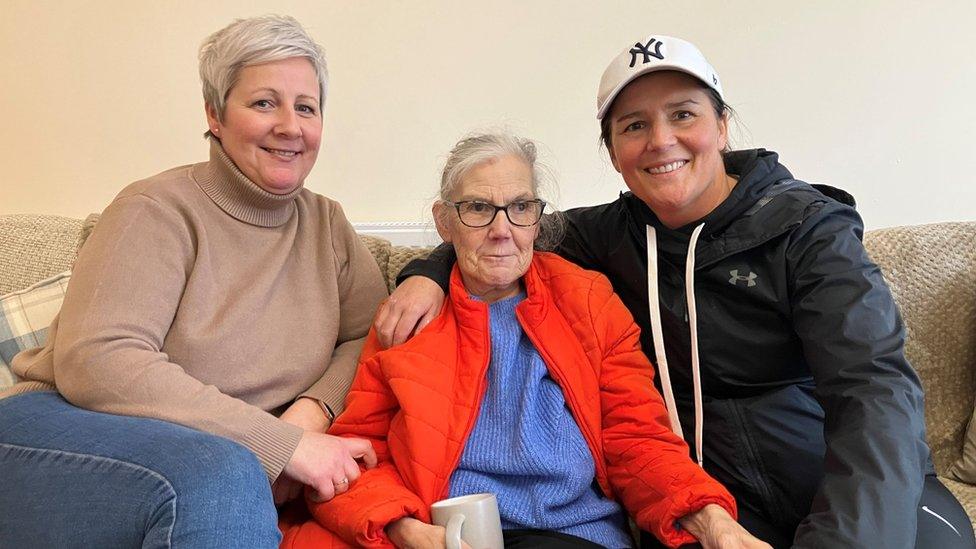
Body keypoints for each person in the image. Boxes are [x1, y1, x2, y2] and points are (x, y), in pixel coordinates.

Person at [378, 36, 976, 548]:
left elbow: (873, 391)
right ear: (613, 153)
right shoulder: (604, 236)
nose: (660, 141)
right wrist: (428, 272)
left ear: (721, 125)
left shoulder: (808, 230)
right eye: (634, 125)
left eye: (683, 114)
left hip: (840, 483)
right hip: (704, 499)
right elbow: (499, 235)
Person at [0, 15, 385, 547]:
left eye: (306, 107)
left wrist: (311, 413)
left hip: (213, 454)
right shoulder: (156, 209)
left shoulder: (327, 224)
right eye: (264, 103)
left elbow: (370, 336)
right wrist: (278, 445)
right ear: (215, 114)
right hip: (58, 427)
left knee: (225, 472)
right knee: (222, 477)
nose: (290, 126)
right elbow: (99, 359)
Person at [278, 133, 769, 549]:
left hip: (575, 535)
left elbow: (638, 438)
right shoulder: (409, 316)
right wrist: (407, 531)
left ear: (538, 219)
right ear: (444, 222)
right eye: (477, 208)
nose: (500, 230)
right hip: (447, 537)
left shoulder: (589, 301)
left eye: (519, 208)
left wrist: (713, 520)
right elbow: (355, 453)